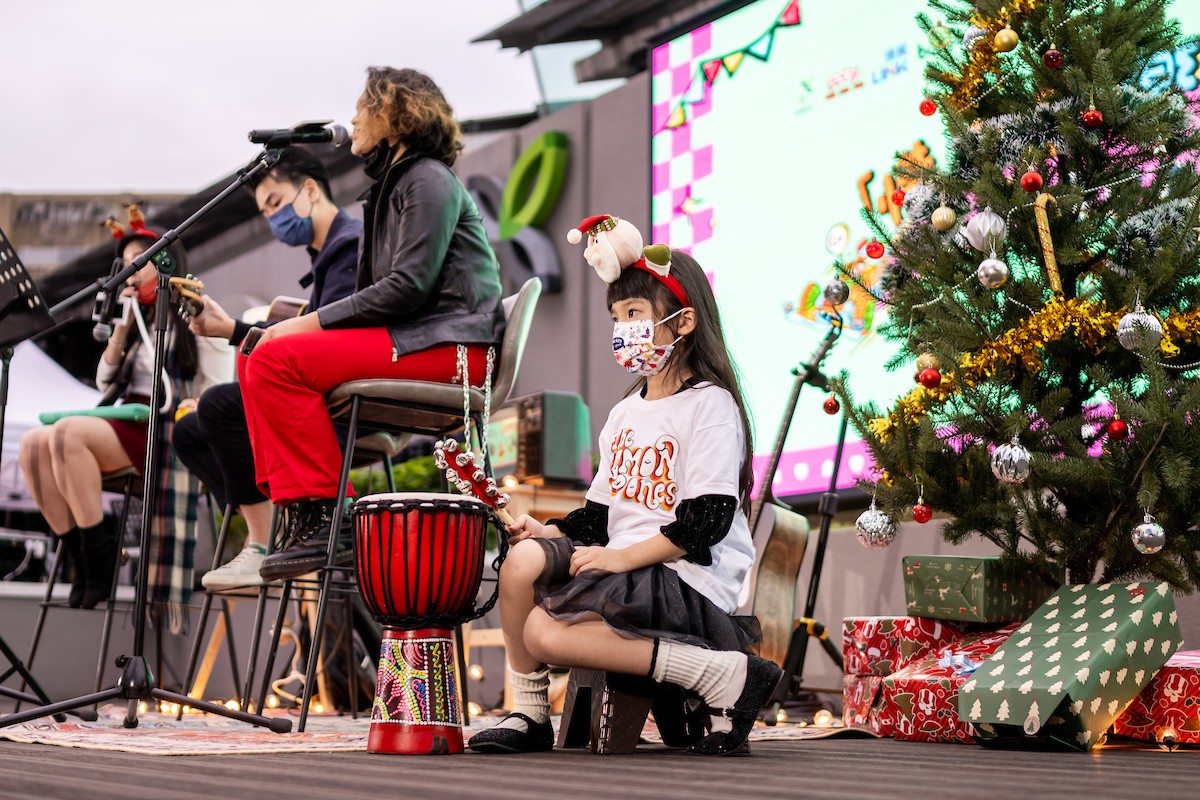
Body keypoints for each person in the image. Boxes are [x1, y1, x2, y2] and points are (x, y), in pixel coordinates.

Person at [467, 216, 781, 757]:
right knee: (520, 562)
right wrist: (548, 531)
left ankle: (722, 673)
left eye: (634, 313)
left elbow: (704, 524)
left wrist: (619, 559)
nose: (622, 328)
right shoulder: (624, 413)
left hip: (684, 577)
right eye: (616, 316)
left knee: (542, 632)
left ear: (683, 322)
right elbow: (599, 518)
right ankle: (530, 714)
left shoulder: (709, 404)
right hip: (627, 565)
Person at [238, 66, 505, 581]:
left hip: (454, 351)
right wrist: (303, 325)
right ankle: (304, 509)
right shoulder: (399, 184)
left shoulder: (427, 178)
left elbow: (407, 287)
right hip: (424, 342)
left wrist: (307, 324)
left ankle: (330, 514)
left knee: (271, 358)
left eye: (364, 107)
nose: (354, 118)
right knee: (254, 354)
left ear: (395, 115)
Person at [18, 207, 233, 609]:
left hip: (167, 423)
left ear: (165, 262)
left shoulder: (195, 311)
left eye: (139, 261)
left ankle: (98, 552)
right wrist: (122, 328)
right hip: (128, 416)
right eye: (127, 263)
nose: (130, 272)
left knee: (66, 433)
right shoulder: (137, 318)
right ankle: (83, 553)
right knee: (31, 445)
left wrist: (197, 405)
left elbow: (218, 385)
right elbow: (104, 381)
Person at [177, 146, 360, 590]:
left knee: (218, 407)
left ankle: (262, 544)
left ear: (310, 189)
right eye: (265, 213)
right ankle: (270, 534)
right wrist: (230, 329)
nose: (273, 219)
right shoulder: (326, 257)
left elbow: (327, 344)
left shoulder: (349, 245)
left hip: (340, 404)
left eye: (276, 203)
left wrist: (233, 330)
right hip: (313, 393)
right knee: (189, 431)